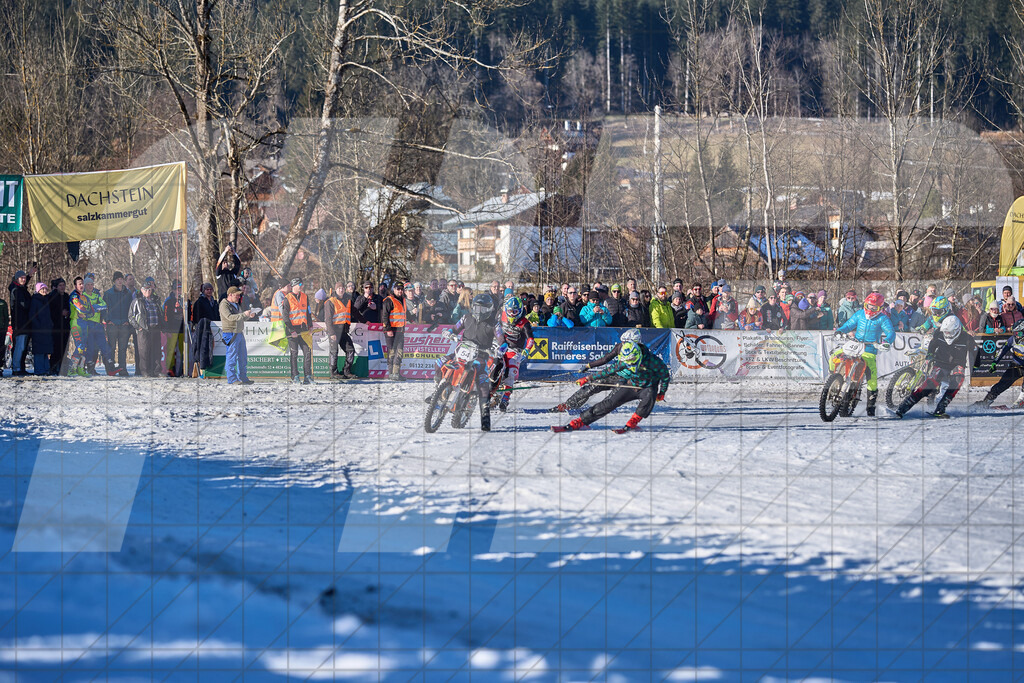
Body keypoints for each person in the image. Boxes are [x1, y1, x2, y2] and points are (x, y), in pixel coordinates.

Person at [553, 340, 671, 433]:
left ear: (638, 354)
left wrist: (662, 392)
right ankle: (581, 421)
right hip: (632, 384)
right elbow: (608, 371)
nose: (630, 365)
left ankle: (634, 421)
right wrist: (588, 378)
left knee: (650, 396)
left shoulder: (654, 362)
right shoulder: (625, 360)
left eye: (633, 362)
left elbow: (665, 377)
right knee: (609, 403)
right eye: (628, 363)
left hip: (648, 387)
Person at [549, 328, 647, 414]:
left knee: (609, 400)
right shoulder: (619, 346)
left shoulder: (642, 352)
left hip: (627, 380)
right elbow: (605, 359)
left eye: (626, 342)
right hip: (615, 374)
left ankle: (594, 412)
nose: (623, 344)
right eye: (623, 342)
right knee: (591, 387)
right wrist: (588, 365)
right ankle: (568, 405)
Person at [894, 316, 975, 418]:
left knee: (957, 381)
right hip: (941, 362)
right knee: (929, 385)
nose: (947, 334)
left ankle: (940, 408)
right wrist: (930, 355)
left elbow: (975, 352)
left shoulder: (967, 338)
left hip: (957, 364)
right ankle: (902, 408)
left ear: (957, 330)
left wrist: (976, 365)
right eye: (946, 332)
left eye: (949, 332)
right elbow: (932, 345)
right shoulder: (939, 333)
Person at [442, 293, 501, 431]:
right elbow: (455, 328)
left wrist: (502, 348)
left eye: (483, 308)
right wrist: (449, 332)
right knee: (441, 362)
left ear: (490, 309)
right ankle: (438, 392)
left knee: (484, 388)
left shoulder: (494, 324)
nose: (479, 311)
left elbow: (501, 338)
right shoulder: (466, 317)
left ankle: (485, 420)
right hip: (462, 352)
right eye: (477, 308)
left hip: (481, 357)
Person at [832, 291, 896, 416]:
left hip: (869, 349)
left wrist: (887, 341)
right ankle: (833, 380)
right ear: (865, 304)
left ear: (880, 308)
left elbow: (891, 332)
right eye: (868, 306)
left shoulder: (883, 318)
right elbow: (848, 325)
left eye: (874, 307)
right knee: (835, 356)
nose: (870, 309)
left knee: (872, 376)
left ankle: (871, 405)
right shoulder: (860, 314)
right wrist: (840, 331)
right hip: (855, 344)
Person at [494, 295, 535, 411]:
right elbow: (494, 327)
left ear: (520, 311)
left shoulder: (524, 322)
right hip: (500, 345)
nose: (512, 314)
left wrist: (527, 349)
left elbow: (531, 339)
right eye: (510, 311)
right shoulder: (501, 316)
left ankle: (505, 398)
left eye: (515, 311)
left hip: (514, 349)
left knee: (511, 372)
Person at [219, 286, 258, 385]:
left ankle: (243, 377)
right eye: (236, 295)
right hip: (231, 332)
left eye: (239, 295)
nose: (238, 297)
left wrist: (248, 316)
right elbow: (229, 317)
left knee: (242, 356)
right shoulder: (224, 305)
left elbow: (240, 318)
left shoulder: (236, 305)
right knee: (231, 356)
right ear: (230, 295)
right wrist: (244, 314)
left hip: (239, 332)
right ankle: (232, 378)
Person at [280, 278, 314, 383]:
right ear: (294, 286)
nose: (301, 286)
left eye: (302, 284)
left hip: (303, 329)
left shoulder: (305, 296)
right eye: (300, 284)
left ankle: (307, 376)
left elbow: (308, 312)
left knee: (307, 352)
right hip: (292, 330)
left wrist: (310, 326)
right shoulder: (287, 298)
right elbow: (285, 317)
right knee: (294, 354)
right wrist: (291, 330)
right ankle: (295, 376)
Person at [128, 279, 163, 377]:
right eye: (146, 289)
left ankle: (156, 371)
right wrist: (138, 327)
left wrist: (161, 325)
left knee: (156, 351)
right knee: (144, 351)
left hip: (155, 328)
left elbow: (160, 313)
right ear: (142, 290)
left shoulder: (156, 300)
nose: (148, 291)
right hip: (143, 330)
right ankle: (145, 371)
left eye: (149, 289)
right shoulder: (137, 301)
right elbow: (131, 316)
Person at [103, 271, 135, 376]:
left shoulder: (128, 293)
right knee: (111, 348)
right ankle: (111, 369)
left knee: (123, 348)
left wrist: (128, 321)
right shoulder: (108, 293)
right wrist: (107, 320)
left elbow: (131, 308)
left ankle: (122, 369)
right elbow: (103, 308)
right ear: (114, 281)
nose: (119, 281)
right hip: (112, 325)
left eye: (121, 279)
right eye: (117, 279)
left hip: (124, 325)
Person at [325, 281, 356, 379]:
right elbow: (328, 319)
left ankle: (346, 371)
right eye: (339, 288)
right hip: (334, 331)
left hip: (343, 331)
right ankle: (333, 373)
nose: (341, 290)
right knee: (334, 352)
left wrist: (365, 321)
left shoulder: (348, 299)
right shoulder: (330, 301)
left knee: (350, 350)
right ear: (336, 289)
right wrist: (331, 333)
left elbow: (355, 312)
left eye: (342, 288)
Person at [8, 268, 33, 375]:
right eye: (21, 278)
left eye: (24, 278)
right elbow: (24, 304)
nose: (23, 279)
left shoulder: (20, 289)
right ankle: (16, 368)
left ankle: (20, 367)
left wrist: (29, 275)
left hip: (25, 323)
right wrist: (33, 301)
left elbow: (22, 285)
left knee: (23, 346)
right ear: (16, 279)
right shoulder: (16, 290)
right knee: (20, 346)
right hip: (20, 323)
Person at [381, 280, 407, 380]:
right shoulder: (389, 300)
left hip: (400, 330)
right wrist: (388, 329)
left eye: (401, 289)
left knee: (399, 352)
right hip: (391, 330)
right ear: (394, 289)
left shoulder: (403, 300)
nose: (400, 291)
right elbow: (384, 316)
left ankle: (396, 373)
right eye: (398, 289)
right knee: (392, 352)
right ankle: (391, 373)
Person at [27, 283, 53, 375]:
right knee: (39, 351)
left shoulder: (46, 300)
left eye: (46, 289)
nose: (44, 291)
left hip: (46, 329)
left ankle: (46, 369)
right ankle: (39, 370)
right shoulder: (35, 300)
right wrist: (38, 326)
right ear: (38, 290)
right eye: (42, 289)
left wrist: (50, 325)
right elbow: (32, 315)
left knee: (45, 351)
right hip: (38, 330)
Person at [47, 278, 70, 375]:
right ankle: (53, 367)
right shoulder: (52, 296)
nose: (62, 287)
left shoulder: (66, 296)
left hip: (65, 326)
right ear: (56, 287)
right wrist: (60, 313)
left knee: (64, 348)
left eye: (63, 285)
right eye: (60, 285)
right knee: (56, 348)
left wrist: (68, 313)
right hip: (55, 326)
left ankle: (61, 367)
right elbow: (50, 311)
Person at [163, 280, 185, 377]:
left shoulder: (184, 300)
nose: (179, 291)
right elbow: (165, 316)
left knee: (182, 350)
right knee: (171, 350)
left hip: (182, 329)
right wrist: (167, 329)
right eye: (177, 289)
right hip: (172, 329)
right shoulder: (169, 301)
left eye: (180, 289)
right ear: (173, 290)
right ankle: (169, 369)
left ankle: (181, 368)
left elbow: (190, 313)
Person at [0, 291, 8, 376]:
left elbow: (6, 317)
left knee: (1, 348)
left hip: (1, 329)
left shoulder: (2, 303)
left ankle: (0, 367)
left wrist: (5, 328)